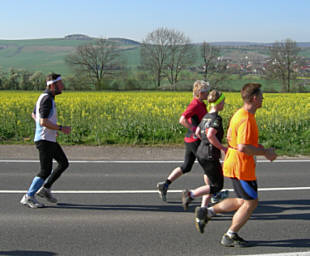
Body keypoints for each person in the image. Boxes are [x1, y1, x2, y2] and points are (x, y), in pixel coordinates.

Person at [201, 83, 277, 247]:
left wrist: (260, 149)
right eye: (261, 96)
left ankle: (208, 211)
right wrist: (265, 153)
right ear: (254, 98)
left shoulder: (240, 114)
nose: (263, 98)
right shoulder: (247, 119)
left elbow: (236, 140)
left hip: (234, 163)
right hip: (242, 167)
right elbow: (243, 147)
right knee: (251, 202)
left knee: (243, 201)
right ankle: (230, 235)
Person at [20, 73, 71, 208]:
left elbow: (34, 114)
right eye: (60, 84)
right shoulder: (47, 99)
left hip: (48, 138)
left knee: (63, 163)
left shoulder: (46, 97)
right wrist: (60, 128)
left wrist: (50, 128)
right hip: (44, 140)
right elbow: (43, 121)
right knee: (45, 170)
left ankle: (46, 189)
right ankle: (28, 196)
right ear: (53, 85)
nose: (63, 86)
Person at [181, 90, 228, 234]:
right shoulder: (216, 118)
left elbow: (197, 133)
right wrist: (221, 148)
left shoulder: (206, 116)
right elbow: (210, 134)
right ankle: (191, 195)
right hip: (209, 155)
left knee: (210, 183)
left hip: (201, 151)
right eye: (223, 101)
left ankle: (202, 211)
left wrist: (205, 143)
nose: (224, 104)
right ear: (219, 103)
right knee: (217, 185)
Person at [156, 80, 210, 201]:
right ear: (200, 93)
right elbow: (182, 119)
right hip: (195, 140)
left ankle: (165, 185)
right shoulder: (195, 104)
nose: (208, 93)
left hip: (191, 140)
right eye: (206, 91)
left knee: (186, 166)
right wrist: (195, 128)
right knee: (208, 166)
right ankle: (213, 192)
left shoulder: (201, 104)